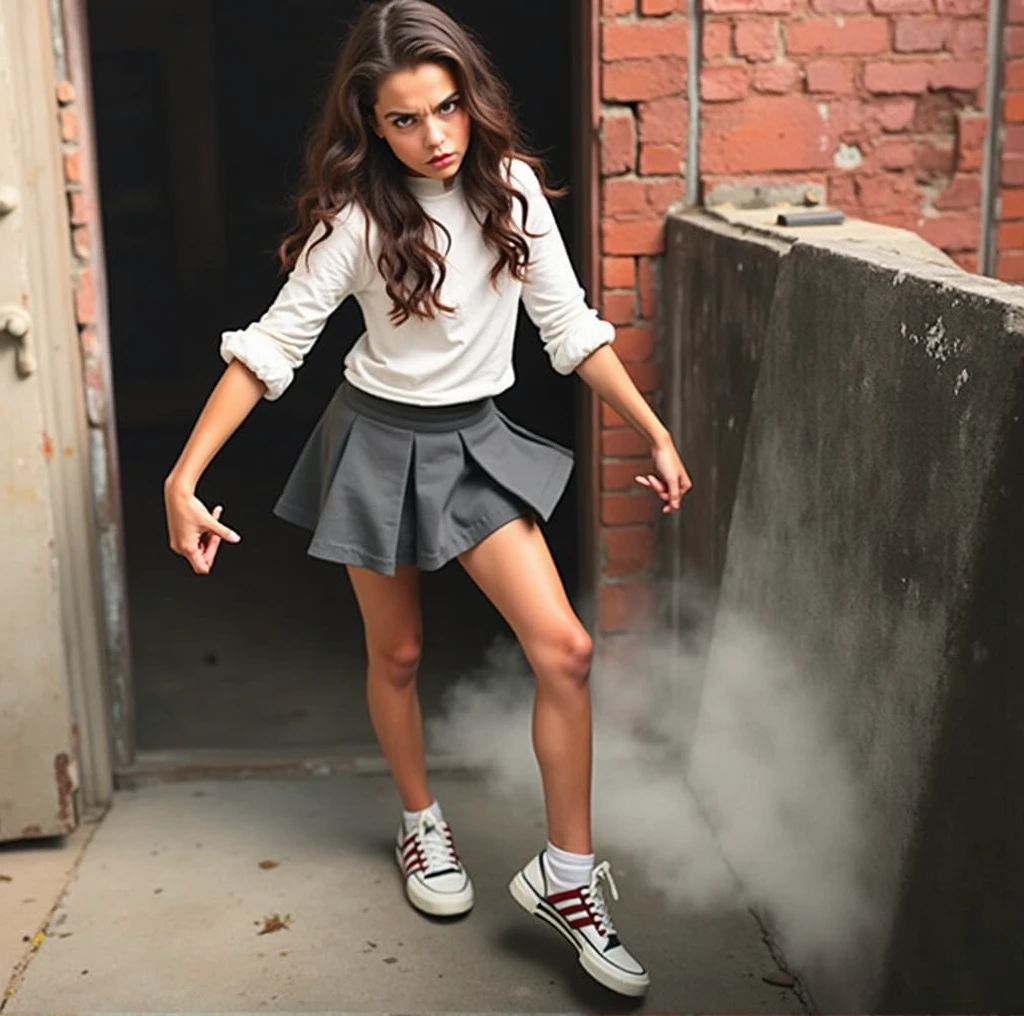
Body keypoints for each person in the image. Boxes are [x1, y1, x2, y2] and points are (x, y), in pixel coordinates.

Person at [163, 0, 690, 998]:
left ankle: (566, 878)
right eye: (404, 119)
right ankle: (419, 822)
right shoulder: (360, 220)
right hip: (373, 439)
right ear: (370, 123)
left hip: (474, 438)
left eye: (445, 108)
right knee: (397, 652)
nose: (434, 137)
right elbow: (272, 349)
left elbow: (569, 329)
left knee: (565, 649)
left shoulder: (515, 192)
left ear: (469, 96)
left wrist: (652, 427)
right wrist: (181, 476)